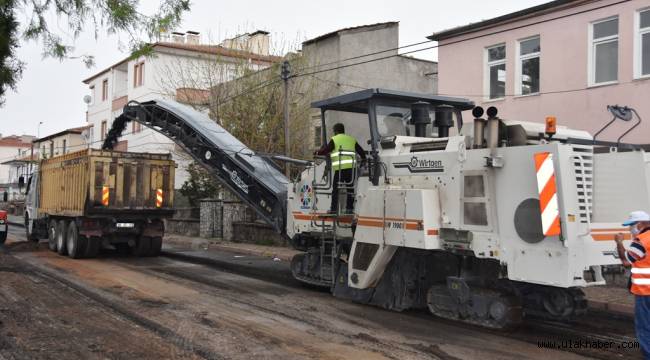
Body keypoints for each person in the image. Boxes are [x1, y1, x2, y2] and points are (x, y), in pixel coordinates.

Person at [615, 210, 650, 359]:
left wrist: (619, 243)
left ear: (641, 224)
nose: (630, 229)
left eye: (632, 225)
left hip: (645, 292)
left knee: (645, 327)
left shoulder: (641, 240)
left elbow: (625, 261)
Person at [314, 123, 366, 214]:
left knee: (336, 190)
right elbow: (361, 152)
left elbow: (326, 150)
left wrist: (317, 153)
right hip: (351, 169)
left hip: (340, 170)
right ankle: (349, 209)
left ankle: (334, 209)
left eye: (334, 131)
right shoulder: (351, 139)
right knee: (350, 189)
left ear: (336, 131)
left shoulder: (335, 139)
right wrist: (363, 160)